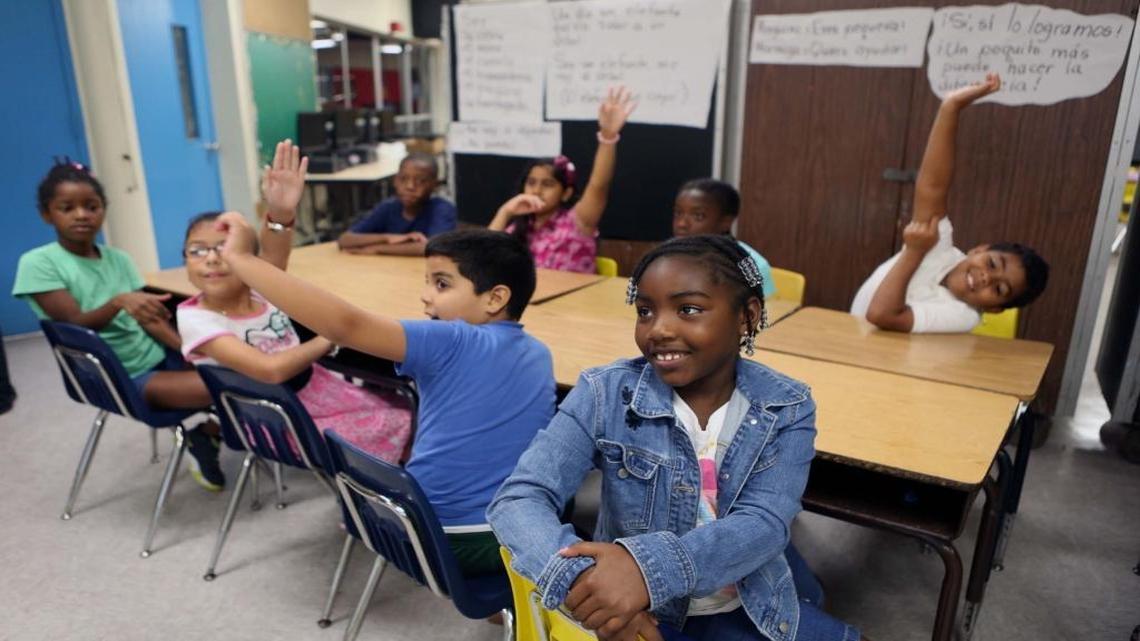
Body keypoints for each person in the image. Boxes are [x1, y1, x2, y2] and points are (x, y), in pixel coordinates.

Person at [489, 235, 863, 641]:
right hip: (638, 608)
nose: (659, 329)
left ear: (747, 316)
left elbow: (765, 524)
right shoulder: (604, 393)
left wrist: (645, 571)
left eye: (688, 309)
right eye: (645, 311)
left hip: (746, 603)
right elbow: (520, 498)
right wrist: (592, 591)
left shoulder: (785, 407)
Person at [213, 214, 555, 576]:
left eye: (441, 284)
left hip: (433, 534)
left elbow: (346, 325)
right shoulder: (541, 353)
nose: (425, 295)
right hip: (511, 535)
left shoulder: (451, 339)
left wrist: (241, 259)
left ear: (495, 298)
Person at [176, 141, 412, 463]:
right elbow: (271, 371)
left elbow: (273, 255)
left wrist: (281, 212)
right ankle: (369, 504)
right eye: (197, 250)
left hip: (313, 389)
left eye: (223, 248)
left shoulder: (257, 289)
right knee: (402, 422)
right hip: (275, 418)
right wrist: (331, 337)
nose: (212, 259)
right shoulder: (197, 319)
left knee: (410, 409)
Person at [13, 160, 224, 490]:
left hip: (157, 358)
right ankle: (206, 435)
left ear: (103, 210)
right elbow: (74, 326)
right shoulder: (38, 263)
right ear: (47, 214)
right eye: (67, 208)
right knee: (230, 388)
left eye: (91, 206)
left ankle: (210, 433)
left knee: (241, 364)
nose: (82, 215)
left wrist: (188, 351)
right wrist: (118, 301)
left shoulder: (119, 259)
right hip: (122, 378)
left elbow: (149, 318)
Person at [850, 73, 1049, 333]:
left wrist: (914, 251)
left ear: (994, 309)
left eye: (999, 289)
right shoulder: (940, 247)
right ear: (979, 249)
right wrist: (950, 107)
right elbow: (933, 186)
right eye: (991, 263)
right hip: (854, 344)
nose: (986, 277)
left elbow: (881, 315)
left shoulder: (964, 315)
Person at [488, 86, 636, 273]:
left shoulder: (577, 221)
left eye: (547, 184)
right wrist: (506, 211)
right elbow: (482, 254)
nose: (536, 190)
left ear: (566, 193)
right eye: (531, 182)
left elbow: (599, 185)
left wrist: (607, 137)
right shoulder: (520, 228)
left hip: (574, 301)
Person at [672, 178, 775, 298]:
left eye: (698, 216)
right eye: (678, 213)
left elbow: (763, 309)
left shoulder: (750, 263)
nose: (681, 224)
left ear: (726, 222)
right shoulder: (667, 259)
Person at [336, 152, 456, 256]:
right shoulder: (388, 207)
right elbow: (345, 240)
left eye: (420, 181)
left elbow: (431, 248)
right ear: (395, 181)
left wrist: (377, 248)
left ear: (434, 185)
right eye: (403, 179)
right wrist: (388, 238)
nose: (410, 187)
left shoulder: (442, 209)